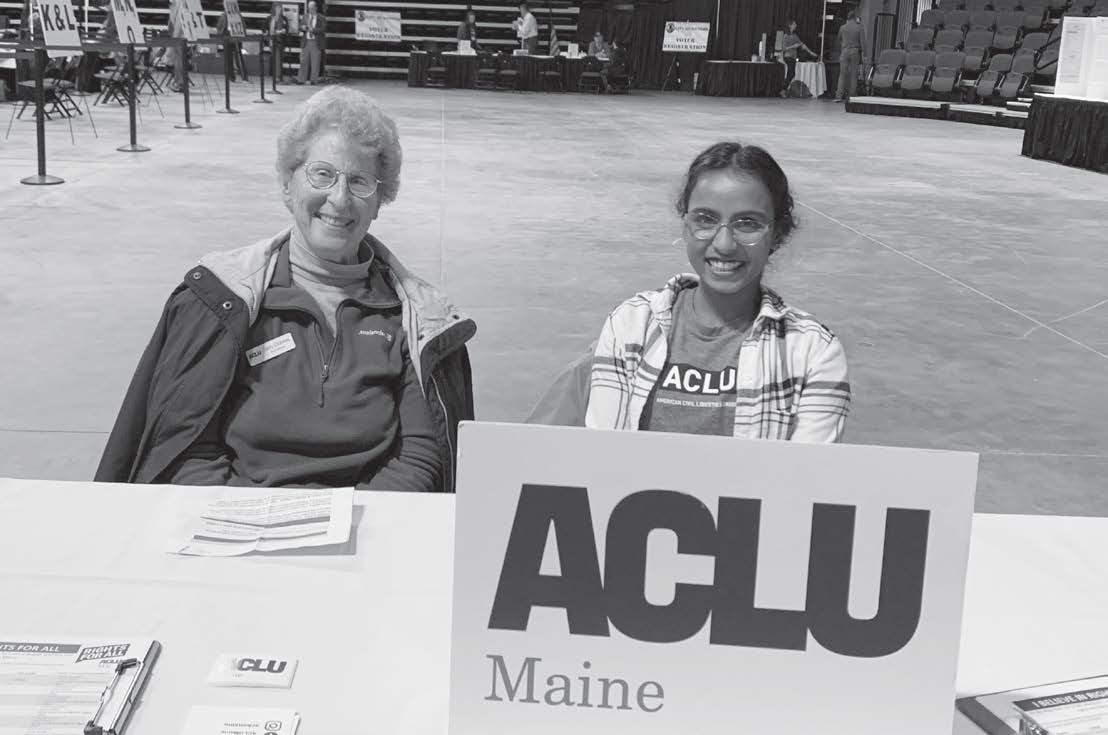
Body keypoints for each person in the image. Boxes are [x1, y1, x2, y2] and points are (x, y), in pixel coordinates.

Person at [95, 87, 477, 492]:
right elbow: (187, 450)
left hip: (366, 528)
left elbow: (420, 457)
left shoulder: (414, 319)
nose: (340, 198)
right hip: (234, 524)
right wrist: (248, 520)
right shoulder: (218, 303)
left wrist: (353, 528)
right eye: (323, 174)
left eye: (360, 181)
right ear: (286, 184)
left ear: (380, 200)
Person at [527, 142, 850, 442]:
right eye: (706, 220)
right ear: (685, 225)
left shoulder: (812, 351)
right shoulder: (631, 325)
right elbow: (602, 456)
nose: (724, 244)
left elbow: (804, 481)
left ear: (777, 234)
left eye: (747, 223)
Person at [835, 10, 867, 102]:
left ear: (847, 18)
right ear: (855, 18)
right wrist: (865, 54)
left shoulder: (843, 27)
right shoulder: (859, 27)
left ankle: (839, 96)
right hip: (855, 52)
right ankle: (852, 95)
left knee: (842, 75)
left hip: (844, 51)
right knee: (853, 74)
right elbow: (863, 42)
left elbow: (838, 39)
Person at [780, 19, 816, 97]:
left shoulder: (795, 36)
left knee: (792, 74)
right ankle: (783, 90)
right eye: (794, 24)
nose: (796, 25)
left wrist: (811, 53)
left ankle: (784, 90)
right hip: (788, 56)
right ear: (790, 25)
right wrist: (793, 46)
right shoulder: (786, 36)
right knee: (791, 73)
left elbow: (802, 45)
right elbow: (783, 48)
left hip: (793, 57)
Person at [215, 10, 249, 83]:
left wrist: (243, 36)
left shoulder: (238, 14)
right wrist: (221, 37)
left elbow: (243, 26)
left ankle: (244, 77)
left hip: (236, 39)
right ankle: (230, 77)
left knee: (239, 59)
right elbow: (219, 27)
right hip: (227, 39)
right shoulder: (223, 15)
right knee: (228, 59)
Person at [297, 0, 326, 85]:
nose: (310, 10)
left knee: (315, 62)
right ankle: (301, 79)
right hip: (306, 41)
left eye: (312, 8)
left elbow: (323, 29)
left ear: (316, 8)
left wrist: (313, 30)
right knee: (303, 61)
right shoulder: (305, 16)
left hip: (316, 42)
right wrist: (303, 27)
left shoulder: (321, 17)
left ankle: (313, 80)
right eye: (309, 8)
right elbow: (300, 26)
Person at [267, 2, 290, 83]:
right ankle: (275, 76)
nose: (278, 10)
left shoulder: (284, 19)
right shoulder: (270, 18)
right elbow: (264, 27)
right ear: (274, 9)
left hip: (280, 42)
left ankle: (278, 77)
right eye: (277, 8)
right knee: (274, 59)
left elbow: (287, 29)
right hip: (272, 41)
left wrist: (283, 31)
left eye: (280, 8)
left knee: (278, 59)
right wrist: (268, 32)